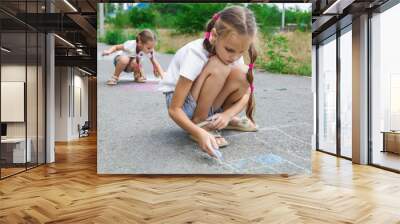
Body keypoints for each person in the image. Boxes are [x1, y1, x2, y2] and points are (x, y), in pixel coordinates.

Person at [158, 6, 258, 158]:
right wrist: (199, 133)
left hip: (204, 101)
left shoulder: (234, 54)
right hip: (182, 104)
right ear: (214, 35)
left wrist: (227, 115)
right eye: (230, 50)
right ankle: (201, 122)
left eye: (241, 52)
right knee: (220, 66)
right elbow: (174, 109)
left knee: (244, 73)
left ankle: (216, 120)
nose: (235, 57)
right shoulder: (195, 53)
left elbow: (247, 93)